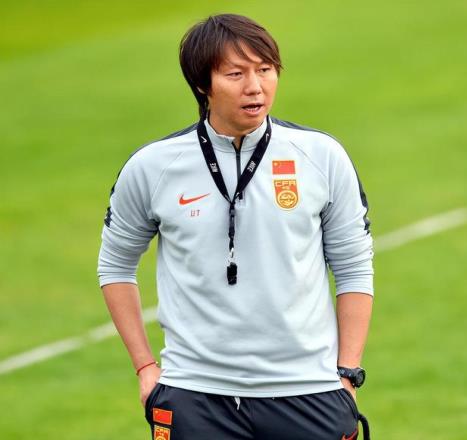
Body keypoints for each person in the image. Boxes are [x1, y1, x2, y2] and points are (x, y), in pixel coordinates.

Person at [98, 13, 374, 440]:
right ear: (202, 85)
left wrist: (348, 374)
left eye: (265, 70)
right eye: (235, 74)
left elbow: (354, 266)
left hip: (309, 390)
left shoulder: (321, 156)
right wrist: (146, 367)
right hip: (195, 394)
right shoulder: (153, 166)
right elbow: (115, 266)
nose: (255, 86)